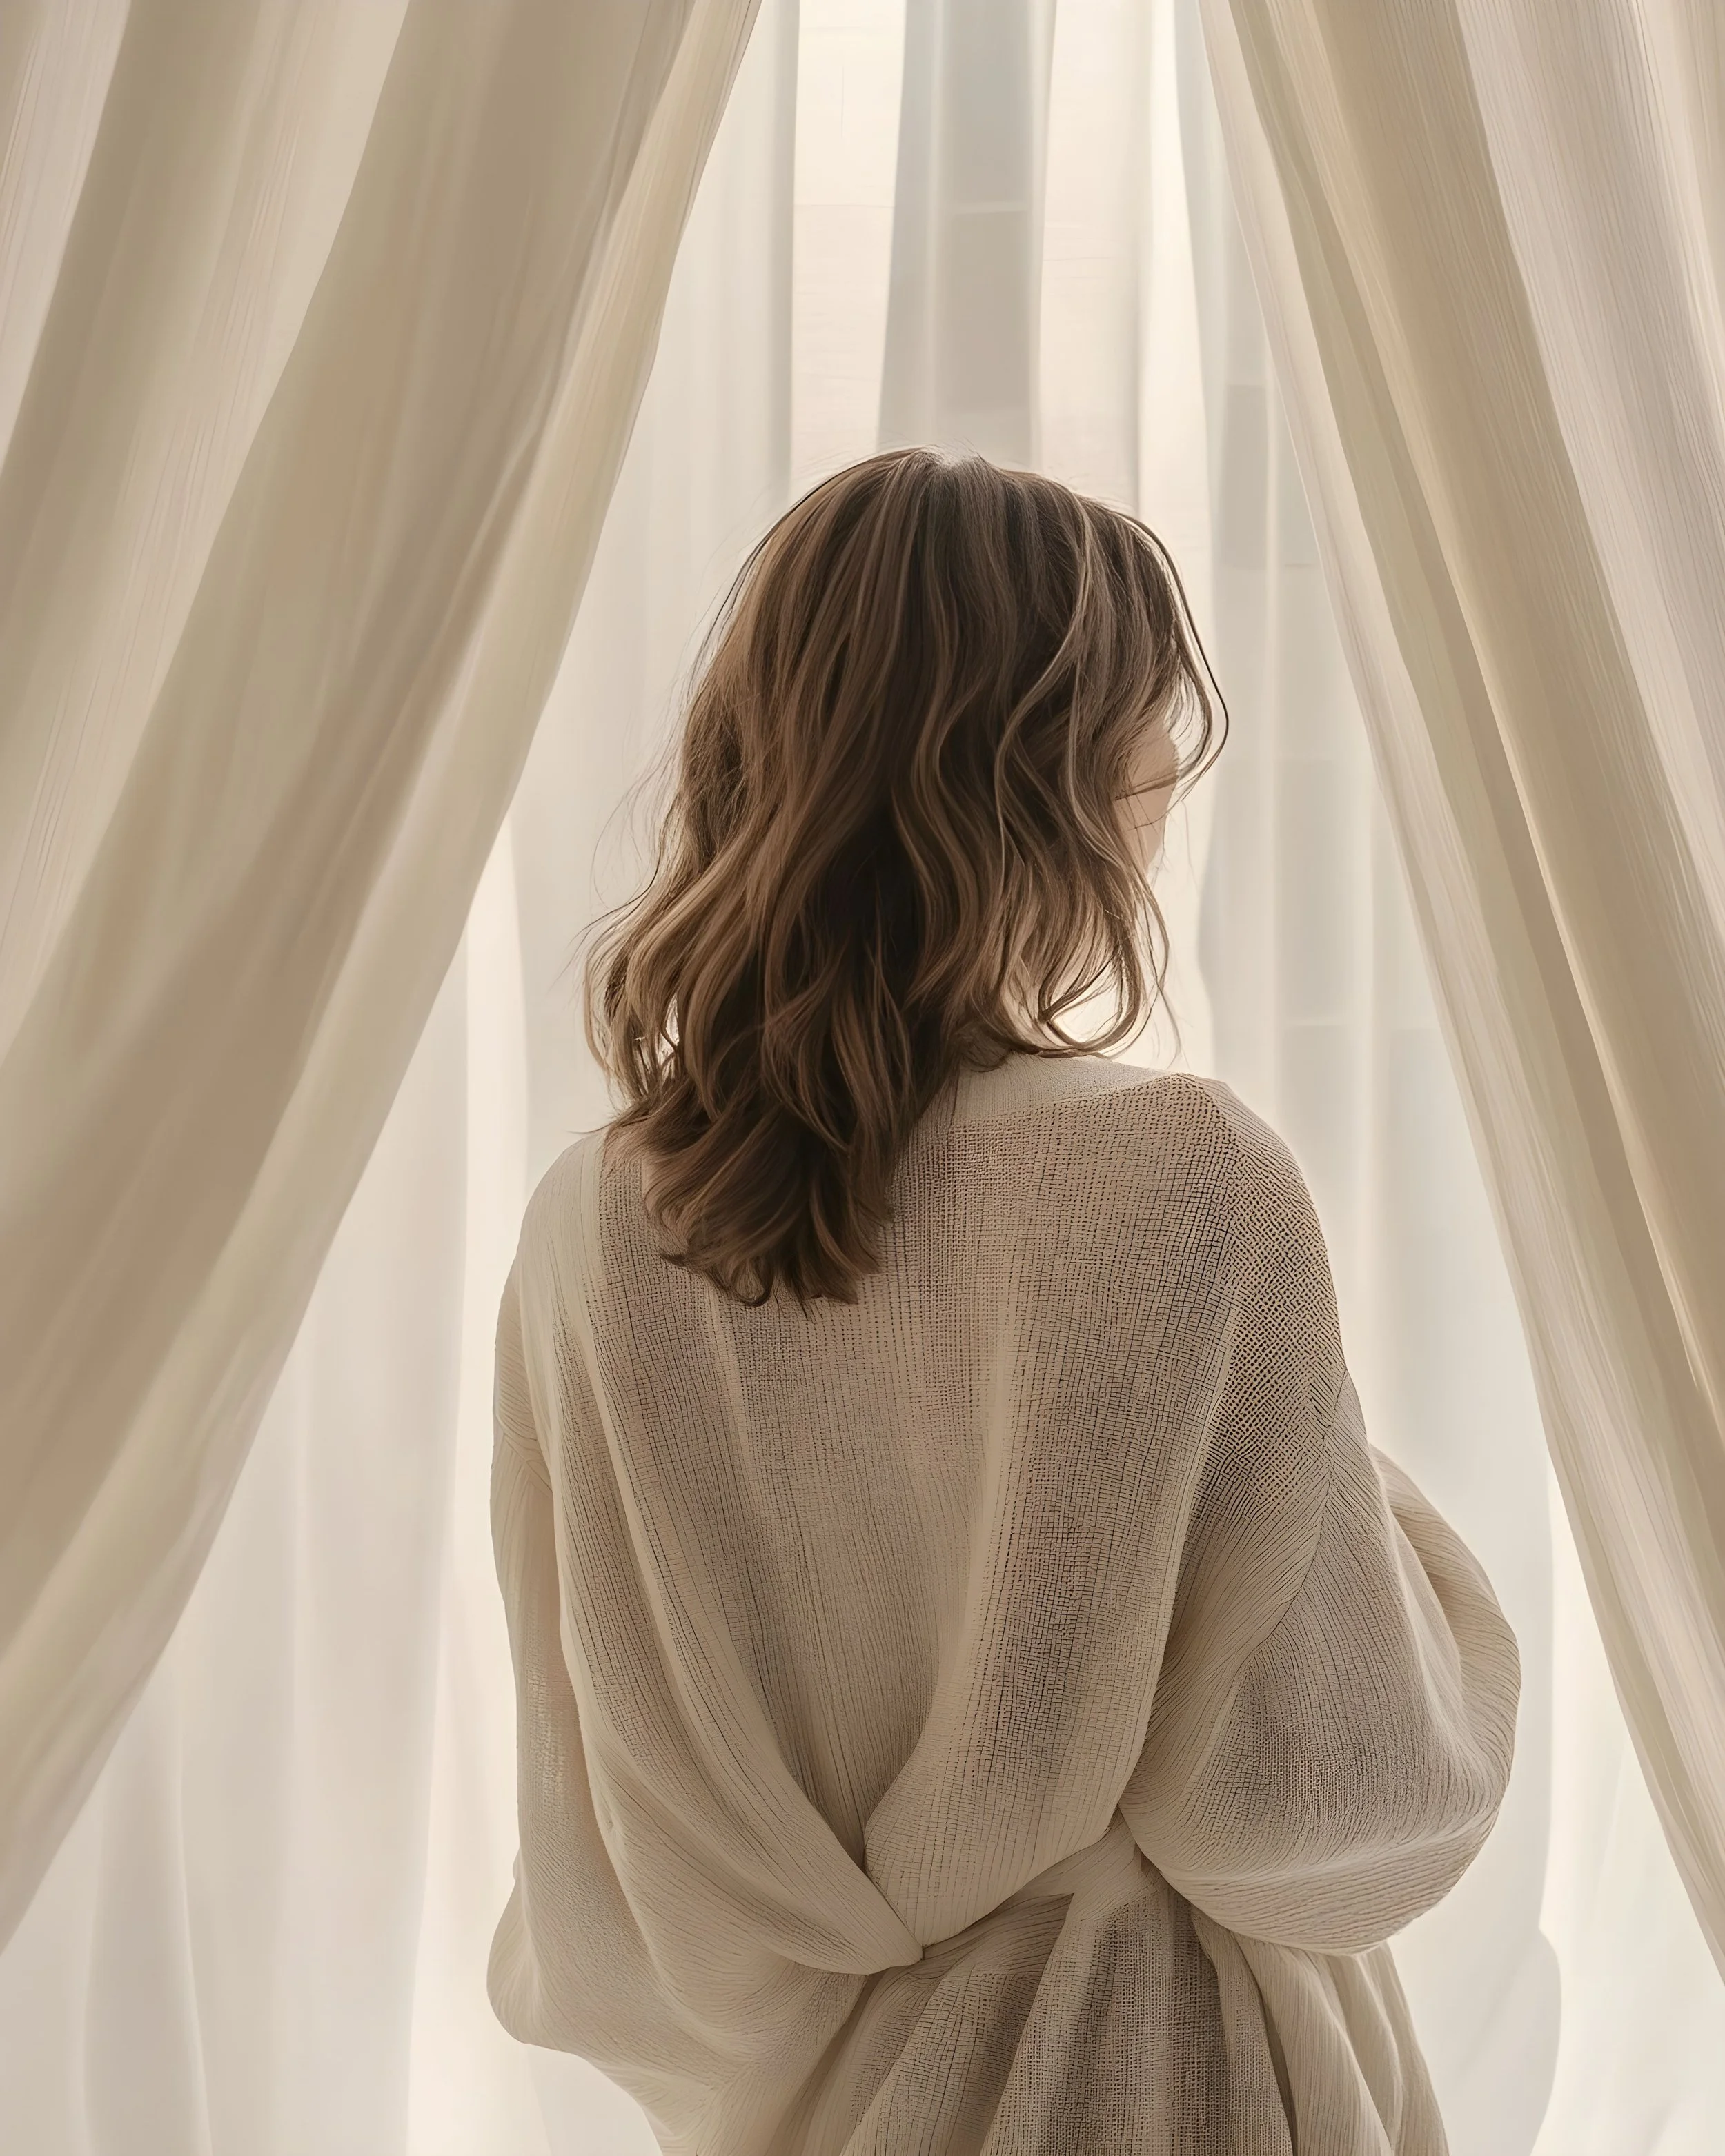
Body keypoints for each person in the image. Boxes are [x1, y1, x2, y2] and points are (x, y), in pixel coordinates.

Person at [486, 447, 1520, 2155]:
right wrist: (1389, 1542)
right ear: (1044, 774)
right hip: (1160, 2083)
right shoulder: (1179, 1177)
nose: (1163, 796)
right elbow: (1331, 1786)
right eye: (1144, 743)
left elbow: (614, 1846)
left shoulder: (586, 1233)